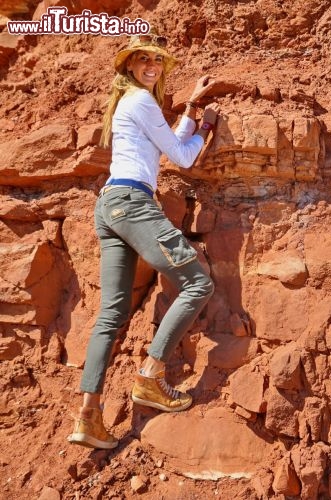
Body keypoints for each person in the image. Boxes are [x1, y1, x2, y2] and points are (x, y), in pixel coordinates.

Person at [68, 28, 219, 450]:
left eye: (157, 60)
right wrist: (203, 125)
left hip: (110, 204)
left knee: (110, 315)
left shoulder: (128, 103)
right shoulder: (141, 100)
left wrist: (190, 104)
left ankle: (88, 417)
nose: (151, 66)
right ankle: (151, 377)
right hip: (133, 203)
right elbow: (183, 155)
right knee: (198, 283)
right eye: (143, 60)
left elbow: (163, 141)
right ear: (130, 67)